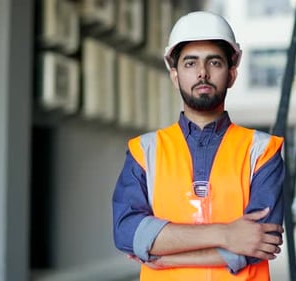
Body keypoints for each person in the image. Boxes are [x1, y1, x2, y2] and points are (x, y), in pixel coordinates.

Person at [112, 11, 285, 281]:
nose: (202, 73)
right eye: (190, 63)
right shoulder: (144, 151)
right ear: (175, 75)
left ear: (232, 74)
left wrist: (167, 256)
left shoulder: (261, 150)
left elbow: (259, 242)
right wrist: (226, 235)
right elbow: (127, 232)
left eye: (214, 62)